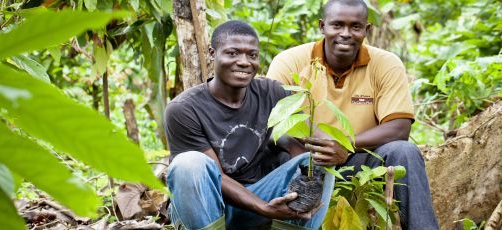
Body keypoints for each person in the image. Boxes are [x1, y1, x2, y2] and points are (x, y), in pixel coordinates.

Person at [266, 0, 439, 229]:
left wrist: (345, 144)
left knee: (404, 152)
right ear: (322, 26)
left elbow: (399, 127)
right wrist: (312, 152)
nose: (345, 34)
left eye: (355, 27)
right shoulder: (290, 61)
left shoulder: (386, 64)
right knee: (278, 154)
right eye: (337, 25)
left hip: (358, 161)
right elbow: (270, 123)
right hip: (304, 161)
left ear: (366, 30)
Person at [163, 20, 334, 230]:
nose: (244, 62)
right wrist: (264, 208)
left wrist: (326, 153)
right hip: (206, 206)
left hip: (257, 199)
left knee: (318, 160)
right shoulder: (184, 109)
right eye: (233, 53)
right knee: (188, 163)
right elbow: (218, 178)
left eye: (252, 55)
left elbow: (304, 143)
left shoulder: (272, 92)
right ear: (212, 53)